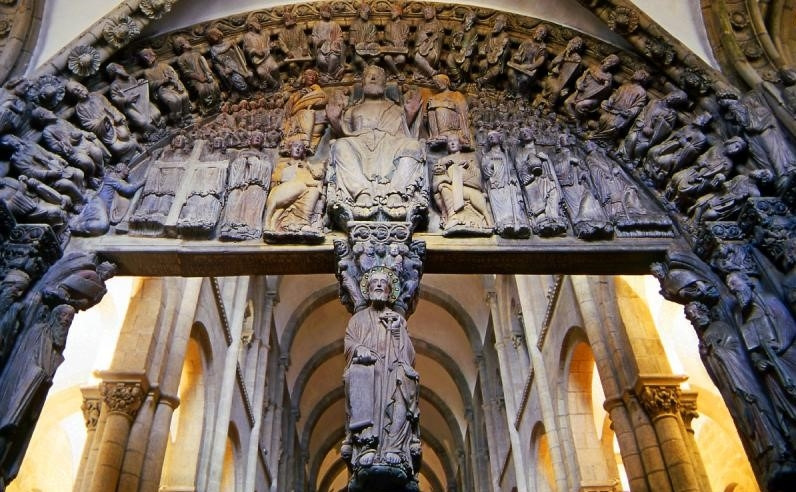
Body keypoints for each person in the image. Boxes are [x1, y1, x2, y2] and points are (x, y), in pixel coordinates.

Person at [341, 268, 420, 483]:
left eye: (382, 283)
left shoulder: (398, 319)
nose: (378, 285)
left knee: (404, 381)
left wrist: (397, 331)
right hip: (369, 369)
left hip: (393, 368)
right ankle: (367, 445)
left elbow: (409, 354)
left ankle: (393, 446)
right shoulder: (358, 319)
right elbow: (349, 343)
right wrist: (359, 349)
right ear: (367, 290)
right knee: (357, 375)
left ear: (389, 290)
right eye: (374, 282)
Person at [327, 65, 425, 222]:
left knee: (414, 146)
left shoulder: (396, 109)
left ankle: (396, 192)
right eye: (369, 76)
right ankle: (361, 192)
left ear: (385, 84)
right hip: (360, 144)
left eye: (377, 76)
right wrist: (335, 121)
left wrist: (410, 116)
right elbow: (344, 134)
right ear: (362, 84)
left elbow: (404, 134)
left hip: (391, 144)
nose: (373, 78)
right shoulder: (353, 110)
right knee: (340, 146)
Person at [432, 136, 491, 233]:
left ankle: (486, 222)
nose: (452, 143)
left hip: (467, 186)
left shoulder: (470, 157)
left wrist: (468, 165)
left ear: (460, 145)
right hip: (450, 187)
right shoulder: (442, 160)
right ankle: (452, 216)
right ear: (447, 146)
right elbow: (437, 178)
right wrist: (445, 167)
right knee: (442, 187)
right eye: (449, 142)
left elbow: (478, 175)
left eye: (454, 141)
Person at [138, 47, 192, 124]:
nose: (152, 55)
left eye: (151, 53)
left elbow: (174, 75)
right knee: (174, 101)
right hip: (162, 91)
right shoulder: (147, 72)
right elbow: (151, 85)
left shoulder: (164, 65)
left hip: (173, 86)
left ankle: (187, 115)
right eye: (147, 55)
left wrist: (173, 79)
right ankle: (178, 119)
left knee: (185, 95)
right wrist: (163, 81)